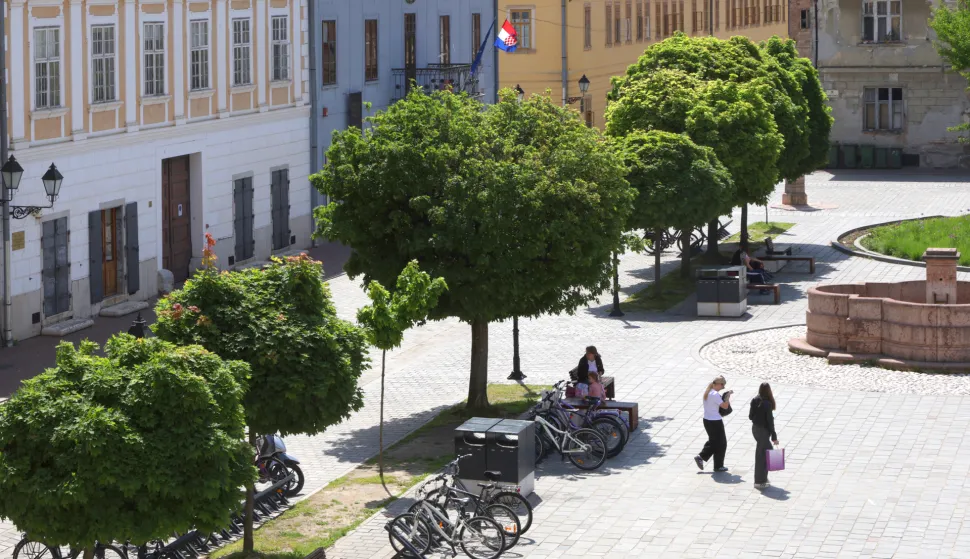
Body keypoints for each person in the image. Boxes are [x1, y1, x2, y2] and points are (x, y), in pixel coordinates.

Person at [694, 376, 732, 472]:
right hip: (715, 421)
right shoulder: (715, 394)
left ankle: (717, 465)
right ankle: (703, 457)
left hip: (707, 420)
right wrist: (727, 398)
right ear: (718, 384)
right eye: (722, 385)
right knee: (721, 443)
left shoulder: (708, 392)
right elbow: (724, 406)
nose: (723, 387)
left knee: (714, 441)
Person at [749, 382, 779, 489]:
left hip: (755, 429)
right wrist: (774, 437)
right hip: (763, 431)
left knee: (763, 453)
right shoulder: (767, 404)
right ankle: (759, 480)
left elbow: (750, 416)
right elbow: (770, 421)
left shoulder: (754, 400)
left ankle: (763, 478)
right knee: (762, 455)